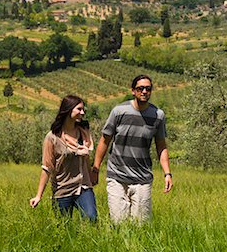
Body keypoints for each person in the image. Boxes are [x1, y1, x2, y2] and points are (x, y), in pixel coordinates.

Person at [91, 75, 172, 223]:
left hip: (142, 179)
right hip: (117, 177)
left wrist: (167, 173)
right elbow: (104, 140)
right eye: (140, 88)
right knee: (118, 223)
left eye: (148, 88)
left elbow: (161, 146)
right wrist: (95, 168)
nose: (144, 91)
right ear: (133, 91)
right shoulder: (119, 111)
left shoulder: (158, 116)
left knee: (141, 226)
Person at [30, 95, 97, 221]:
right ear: (68, 110)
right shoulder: (52, 137)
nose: (82, 113)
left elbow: (86, 159)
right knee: (64, 228)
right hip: (62, 189)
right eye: (79, 109)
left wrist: (91, 173)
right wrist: (38, 196)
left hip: (83, 187)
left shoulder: (84, 132)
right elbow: (47, 167)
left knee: (91, 218)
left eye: (83, 109)